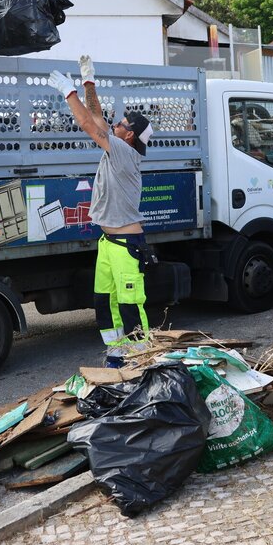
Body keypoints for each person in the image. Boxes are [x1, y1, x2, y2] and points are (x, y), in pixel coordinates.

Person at [48, 56, 154, 369]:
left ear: (130, 135)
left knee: (129, 305)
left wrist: (68, 93)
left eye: (121, 124)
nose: (114, 124)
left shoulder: (125, 154)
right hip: (109, 243)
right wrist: (88, 81)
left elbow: (87, 124)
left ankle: (142, 357)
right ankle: (117, 355)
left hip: (125, 246)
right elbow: (96, 117)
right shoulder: (118, 147)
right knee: (104, 303)